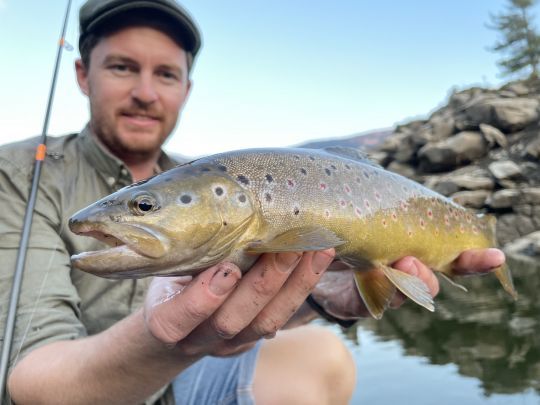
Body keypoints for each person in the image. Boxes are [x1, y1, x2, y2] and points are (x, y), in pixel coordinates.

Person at [0, 1, 506, 404]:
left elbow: (252, 309)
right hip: (87, 387)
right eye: (122, 67)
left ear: (187, 88)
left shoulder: (197, 173)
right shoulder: (19, 176)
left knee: (323, 356)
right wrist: (169, 341)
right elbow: (30, 384)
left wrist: (320, 295)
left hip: (187, 384)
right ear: (84, 75)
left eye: (167, 75)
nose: (146, 93)